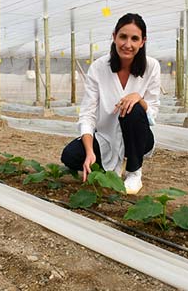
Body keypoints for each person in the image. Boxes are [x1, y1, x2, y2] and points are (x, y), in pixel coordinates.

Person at [61, 13, 160, 195]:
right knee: (70, 156)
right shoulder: (99, 68)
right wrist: (90, 151)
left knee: (133, 108)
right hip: (106, 136)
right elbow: (88, 114)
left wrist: (138, 97)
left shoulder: (151, 66)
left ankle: (133, 171)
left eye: (134, 38)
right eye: (123, 36)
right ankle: (111, 162)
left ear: (142, 41)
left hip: (139, 137)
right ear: (114, 36)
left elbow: (152, 113)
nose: (127, 44)